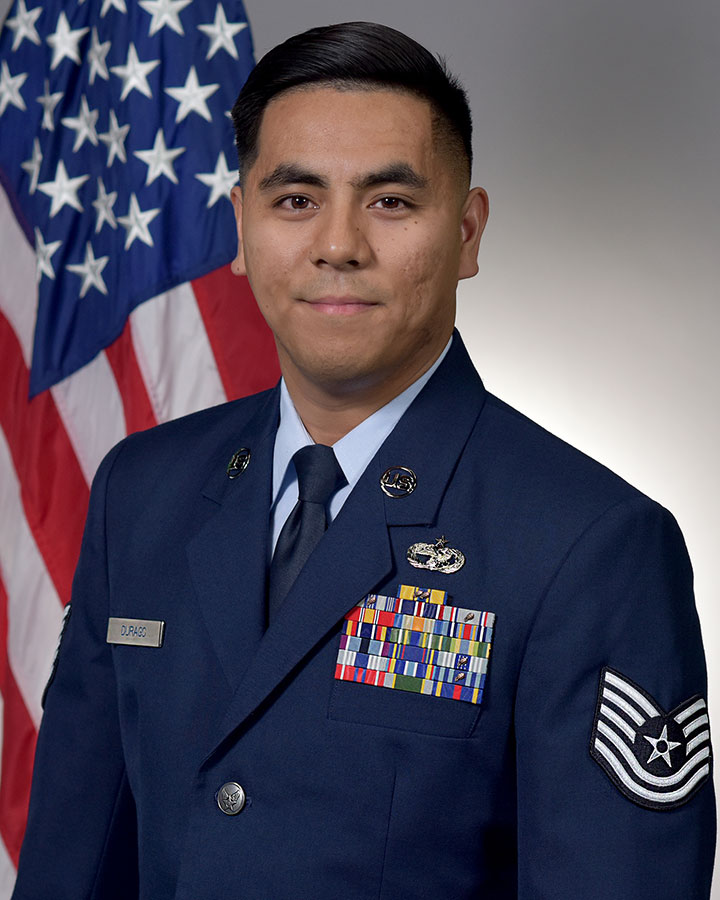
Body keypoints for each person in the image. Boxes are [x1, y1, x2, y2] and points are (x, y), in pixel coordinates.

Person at [13, 21, 715, 900]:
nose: (338, 245)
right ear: (240, 226)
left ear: (466, 233)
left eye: (390, 202)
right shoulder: (141, 490)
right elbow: (71, 867)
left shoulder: (592, 546)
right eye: (295, 200)